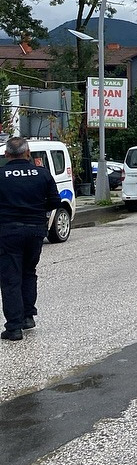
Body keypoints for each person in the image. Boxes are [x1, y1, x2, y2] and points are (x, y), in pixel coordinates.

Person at [0, 137, 62, 341]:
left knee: (10, 278)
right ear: (28, 153)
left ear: (7, 155)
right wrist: (34, 211)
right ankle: (28, 317)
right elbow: (54, 201)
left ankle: (14, 327)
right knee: (28, 272)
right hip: (35, 231)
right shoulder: (42, 174)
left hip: (8, 232)